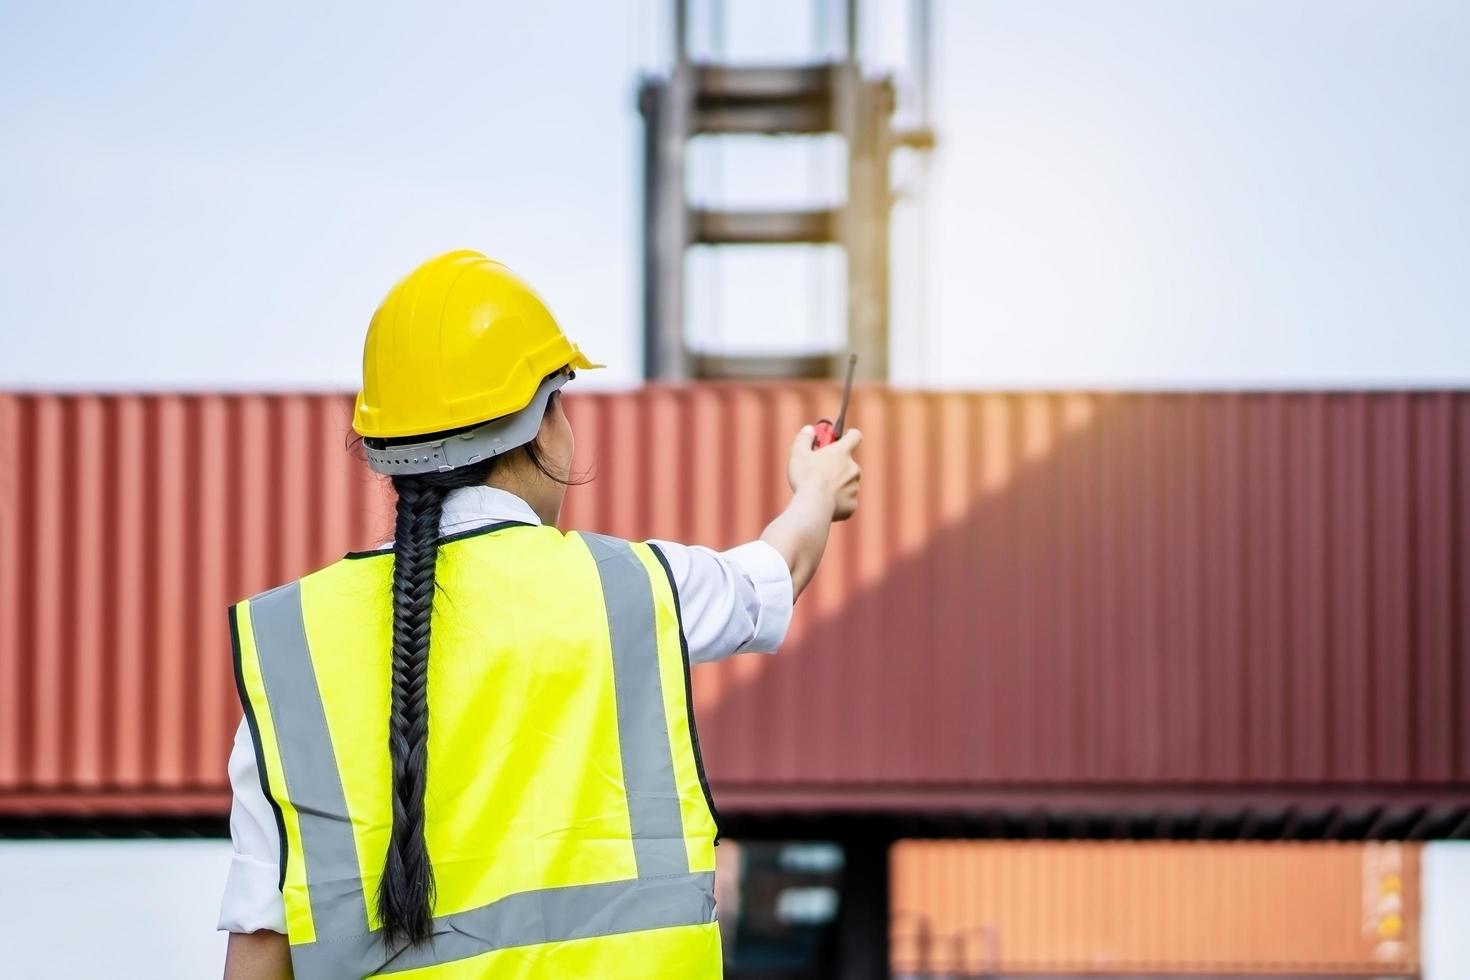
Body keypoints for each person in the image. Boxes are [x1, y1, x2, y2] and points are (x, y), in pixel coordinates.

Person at [220, 250, 862, 978]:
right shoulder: (631, 589)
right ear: (541, 425)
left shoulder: (291, 656)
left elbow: (257, 951)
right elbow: (772, 576)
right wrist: (816, 488)